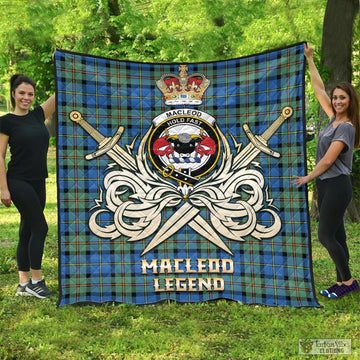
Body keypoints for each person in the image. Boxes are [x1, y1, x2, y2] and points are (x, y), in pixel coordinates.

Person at [292, 44, 359, 299]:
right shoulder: (333, 119)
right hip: (326, 184)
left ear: (351, 100)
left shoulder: (347, 127)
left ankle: (348, 281)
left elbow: (330, 159)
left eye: (343, 97)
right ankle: (343, 282)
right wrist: (310, 60)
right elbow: (319, 89)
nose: (337, 101)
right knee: (338, 235)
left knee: (325, 235)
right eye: (336, 98)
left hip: (337, 184)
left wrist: (309, 177)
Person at [0, 74, 55, 298]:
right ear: (13, 94)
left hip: (38, 180)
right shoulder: (6, 121)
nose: (26, 97)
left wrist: (64, 66)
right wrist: (3, 189)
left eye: (30, 94)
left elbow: (61, 92)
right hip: (18, 180)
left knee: (27, 230)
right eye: (21, 93)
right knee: (41, 227)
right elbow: (0, 155)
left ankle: (23, 284)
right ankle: (37, 281)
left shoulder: (38, 115)